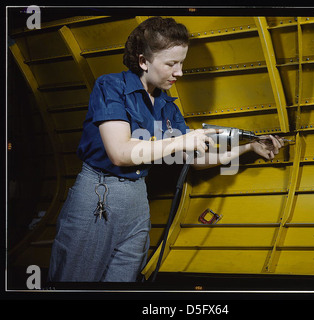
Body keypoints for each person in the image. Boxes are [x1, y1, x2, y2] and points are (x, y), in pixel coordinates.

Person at [47, 17, 284, 283]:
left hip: (137, 200)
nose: (179, 72)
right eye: (171, 64)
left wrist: (248, 147)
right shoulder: (111, 86)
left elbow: (197, 159)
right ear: (143, 61)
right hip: (99, 193)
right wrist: (180, 141)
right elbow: (121, 153)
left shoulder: (168, 106)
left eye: (181, 63)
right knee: (76, 282)